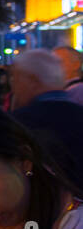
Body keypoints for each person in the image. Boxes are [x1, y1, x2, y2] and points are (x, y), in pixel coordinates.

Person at [9, 48, 83, 192]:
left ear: (32, 81)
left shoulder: (19, 123)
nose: (13, 87)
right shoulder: (78, 113)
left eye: (16, 79)